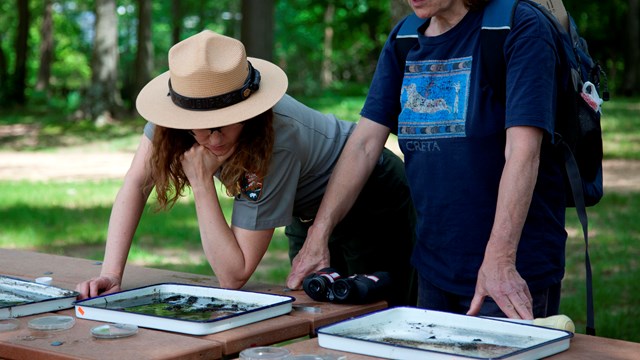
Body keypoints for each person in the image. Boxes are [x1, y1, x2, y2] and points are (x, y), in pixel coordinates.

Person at [75, 30, 416, 306]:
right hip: (307, 210)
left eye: (226, 121)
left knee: (376, 316)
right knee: (318, 314)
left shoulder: (276, 139)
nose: (215, 137)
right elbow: (136, 185)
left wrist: (201, 182)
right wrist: (111, 273)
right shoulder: (171, 124)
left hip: (373, 197)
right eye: (201, 124)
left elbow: (233, 274)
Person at [287, 0, 567, 320]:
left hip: (509, 270)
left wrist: (501, 260)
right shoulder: (405, 38)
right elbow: (364, 145)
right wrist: (317, 236)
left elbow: (523, 151)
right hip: (434, 269)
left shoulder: (518, 26)